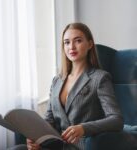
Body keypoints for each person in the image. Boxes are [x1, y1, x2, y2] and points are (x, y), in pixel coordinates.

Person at [10, 22, 123, 150]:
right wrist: (37, 139)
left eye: (78, 41)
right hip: (55, 146)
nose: (72, 47)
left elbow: (116, 120)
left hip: (83, 146)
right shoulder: (56, 81)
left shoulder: (100, 78)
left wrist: (83, 128)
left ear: (90, 44)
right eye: (67, 42)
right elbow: (49, 120)